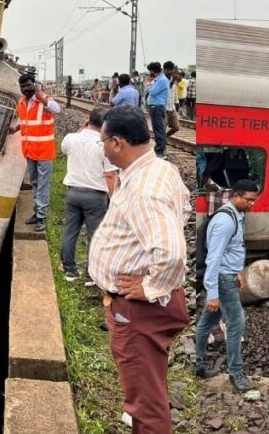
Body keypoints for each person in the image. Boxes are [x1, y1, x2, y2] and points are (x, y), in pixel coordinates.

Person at [88, 106, 191, 434]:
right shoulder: (161, 169)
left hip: (138, 311)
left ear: (117, 143)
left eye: (102, 141)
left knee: (144, 405)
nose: (102, 147)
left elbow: (172, 253)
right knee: (148, 389)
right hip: (140, 309)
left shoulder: (144, 190)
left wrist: (150, 286)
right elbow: (184, 207)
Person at [193, 180, 260, 396]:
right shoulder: (226, 221)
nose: (252, 204)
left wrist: (238, 271)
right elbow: (213, 258)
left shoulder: (234, 216)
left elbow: (234, 249)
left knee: (207, 322)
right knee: (236, 323)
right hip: (222, 279)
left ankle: (199, 365)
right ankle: (236, 373)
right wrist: (212, 293)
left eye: (254, 200)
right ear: (236, 196)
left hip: (228, 275)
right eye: (249, 200)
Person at [59, 108, 118, 282]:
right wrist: (113, 199)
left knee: (70, 231)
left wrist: (80, 129)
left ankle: (69, 270)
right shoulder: (104, 145)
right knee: (95, 235)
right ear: (105, 125)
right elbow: (110, 175)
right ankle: (91, 275)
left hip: (73, 192)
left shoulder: (71, 139)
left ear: (87, 121)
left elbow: (64, 149)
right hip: (95, 195)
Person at [13, 73, 60, 232]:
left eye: (28, 85)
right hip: (29, 150)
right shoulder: (21, 103)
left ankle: (41, 216)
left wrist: (39, 95)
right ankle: (37, 211)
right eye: (23, 86)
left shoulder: (45, 100)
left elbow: (56, 109)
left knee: (43, 185)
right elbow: (27, 121)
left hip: (44, 151)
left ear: (34, 84)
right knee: (35, 182)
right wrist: (16, 128)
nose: (26, 88)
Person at [145, 62, 169, 159]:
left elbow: (152, 91)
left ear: (152, 71)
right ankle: (159, 148)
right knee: (157, 129)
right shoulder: (158, 79)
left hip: (157, 107)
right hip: (155, 107)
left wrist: (149, 83)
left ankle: (160, 152)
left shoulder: (162, 80)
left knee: (159, 129)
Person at [164, 61, 180, 140]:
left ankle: (163, 138)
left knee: (176, 127)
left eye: (172, 70)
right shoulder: (162, 80)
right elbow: (166, 90)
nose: (171, 72)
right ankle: (160, 145)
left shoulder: (173, 79)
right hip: (163, 108)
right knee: (162, 128)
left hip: (171, 107)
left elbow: (175, 91)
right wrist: (173, 80)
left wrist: (177, 102)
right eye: (169, 70)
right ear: (165, 70)